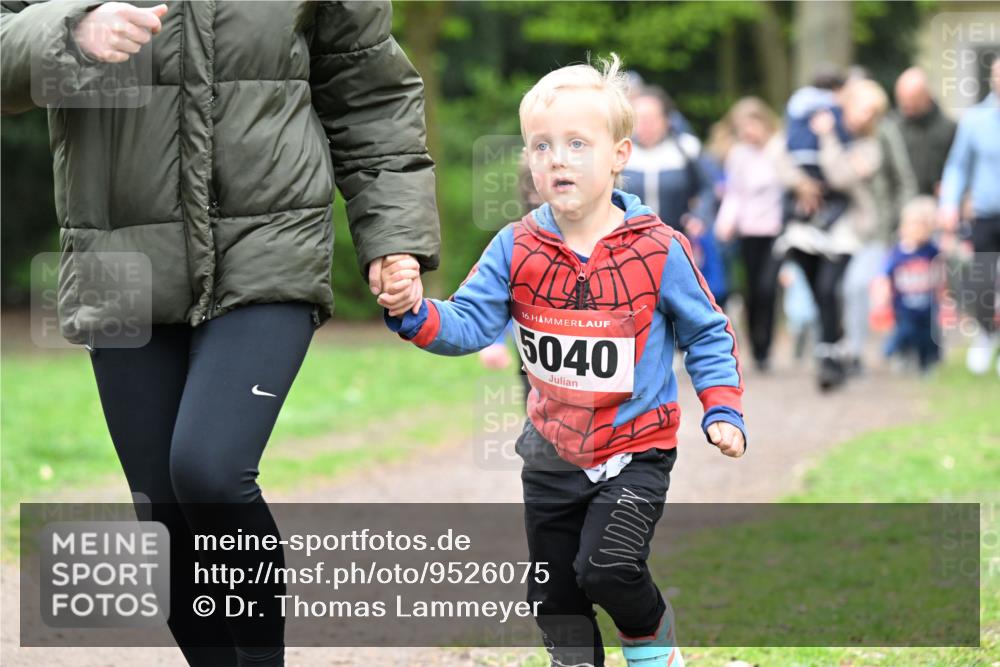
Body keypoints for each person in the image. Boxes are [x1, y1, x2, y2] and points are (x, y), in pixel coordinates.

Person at [1, 2, 439, 666]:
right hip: (119, 258)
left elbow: (368, 92)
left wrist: (394, 237)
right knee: (164, 514)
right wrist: (70, 33)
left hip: (270, 242)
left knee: (208, 469)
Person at [381, 54, 746, 667]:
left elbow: (708, 333)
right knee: (553, 598)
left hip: (637, 449)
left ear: (619, 155)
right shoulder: (516, 245)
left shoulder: (659, 248)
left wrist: (723, 409)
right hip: (551, 454)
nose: (558, 159)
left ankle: (656, 648)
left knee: (609, 568)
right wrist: (416, 311)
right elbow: (470, 320)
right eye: (542, 146)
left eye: (578, 144)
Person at [775, 78, 889, 390]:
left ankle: (828, 360)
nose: (866, 116)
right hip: (804, 226)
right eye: (863, 107)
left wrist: (827, 137)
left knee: (829, 289)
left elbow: (840, 177)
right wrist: (801, 184)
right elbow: (780, 154)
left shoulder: (868, 146)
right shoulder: (806, 126)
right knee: (817, 293)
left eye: (873, 112)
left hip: (845, 229)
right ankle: (834, 345)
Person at [624, 86, 728, 305]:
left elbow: (710, 187)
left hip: (677, 243)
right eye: (640, 119)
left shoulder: (686, 149)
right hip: (628, 245)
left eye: (652, 118)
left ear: (666, 120)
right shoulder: (620, 153)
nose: (646, 125)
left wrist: (700, 216)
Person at [938, 56, 1000, 376]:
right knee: (982, 283)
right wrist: (949, 203)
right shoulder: (975, 120)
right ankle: (987, 333)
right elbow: (957, 166)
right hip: (986, 214)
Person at [715, 97, 785, 371]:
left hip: (775, 230)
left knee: (768, 288)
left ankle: (766, 344)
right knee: (751, 290)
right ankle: (756, 345)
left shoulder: (778, 150)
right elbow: (734, 193)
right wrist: (725, 224)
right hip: (748, 231)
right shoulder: (738, 155)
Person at [879, 196, 942, 373]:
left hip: (927, 304)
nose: (918, 230)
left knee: (927, 336)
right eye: (914, 224)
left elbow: (941, 270)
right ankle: (894, 349)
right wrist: (883, 293)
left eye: (923, 225)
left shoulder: (931, 250)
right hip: (903, 304)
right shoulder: (897, 253)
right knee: (905, 330)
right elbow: (884, 274)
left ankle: (927, 364)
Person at [892, 67, 957, 197]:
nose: (908, 108)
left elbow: (958, 166)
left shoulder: (949, 128)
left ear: (926, 96)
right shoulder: (893, 128)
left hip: (936, 203)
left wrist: (950, 186)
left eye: (913, 102)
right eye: (904, 103)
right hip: (903, 202)